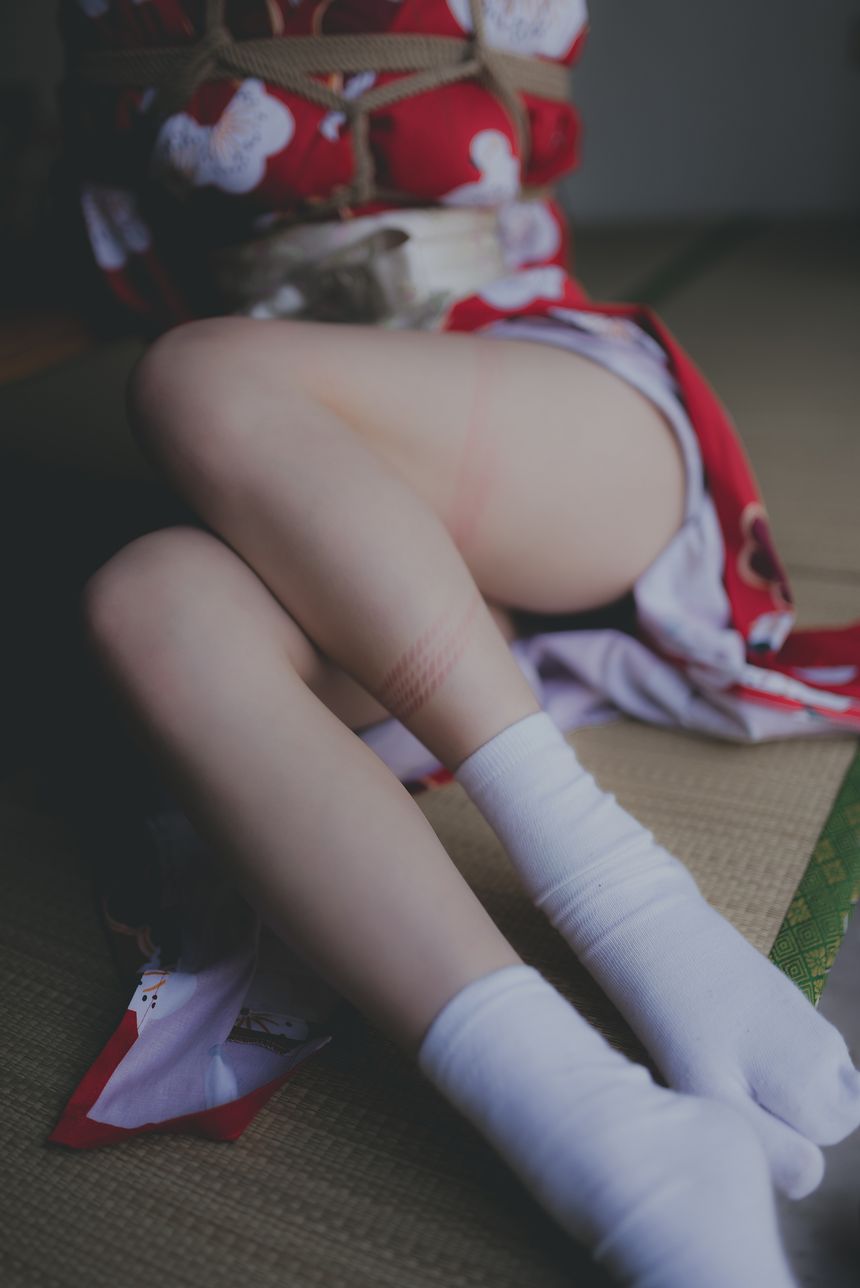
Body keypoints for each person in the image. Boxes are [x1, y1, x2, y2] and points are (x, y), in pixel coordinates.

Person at [51, 2, 860, 1283]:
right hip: (315, 506)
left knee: (195, 373)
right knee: (145, 601)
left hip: (539, 424)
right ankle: (588, 1123)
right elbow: (115, 259)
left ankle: (629, 896)